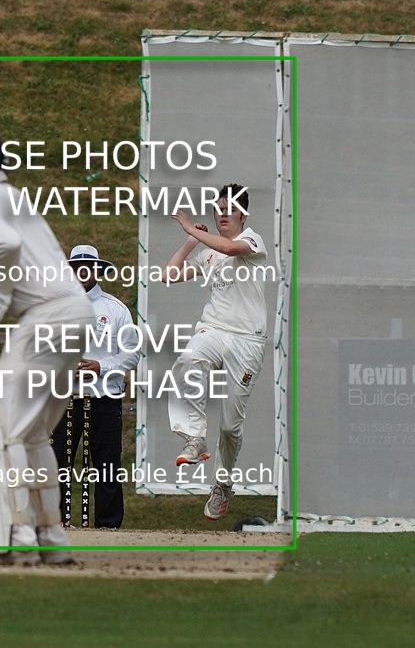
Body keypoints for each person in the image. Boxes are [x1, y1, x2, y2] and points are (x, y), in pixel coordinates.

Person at [0, 128, 94, 566]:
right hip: (78, 313)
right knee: (32, 434)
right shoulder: (16, 197)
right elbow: (23, 257)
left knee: (0, 429)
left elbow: (8, 247)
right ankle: (50, 538)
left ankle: (13, 538)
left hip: (47, 319)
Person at [162, 184, 267, 520]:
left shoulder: (251, 240)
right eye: (218, 208)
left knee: (230, 427)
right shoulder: (208, 251)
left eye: (229, 209)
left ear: (243, 215)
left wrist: (194, 229)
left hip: (248, 339)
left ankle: (222, 483)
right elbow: (168, 275)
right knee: (189, 358)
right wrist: (190, 241)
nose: (222, 213)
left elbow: (229, 248)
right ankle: (194, 437)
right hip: (214, 329)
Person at [50, 245, 140, 529]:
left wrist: (101, 366)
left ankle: (108, 525)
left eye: (89, 266)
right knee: (58, 463)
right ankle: (56, 522)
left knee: (106, 466)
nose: (83, 272)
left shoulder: (114, 308)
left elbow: (133, 352)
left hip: (104, 397)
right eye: (78, 267)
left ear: (97, 269)